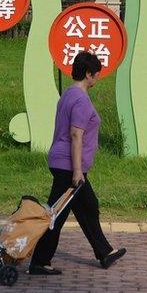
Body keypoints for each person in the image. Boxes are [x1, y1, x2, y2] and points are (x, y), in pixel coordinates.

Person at [28, 51, 126, 275]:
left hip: (62, 162)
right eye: (96, 74)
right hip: (69, 166)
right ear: (89, 74)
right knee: (57, 215)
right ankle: (39, 262)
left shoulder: (68, 94)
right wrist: (78, 171)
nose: (98, 78)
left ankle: (105, 252)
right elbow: (75, 135)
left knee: (88, 207)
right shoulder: (80, 99)